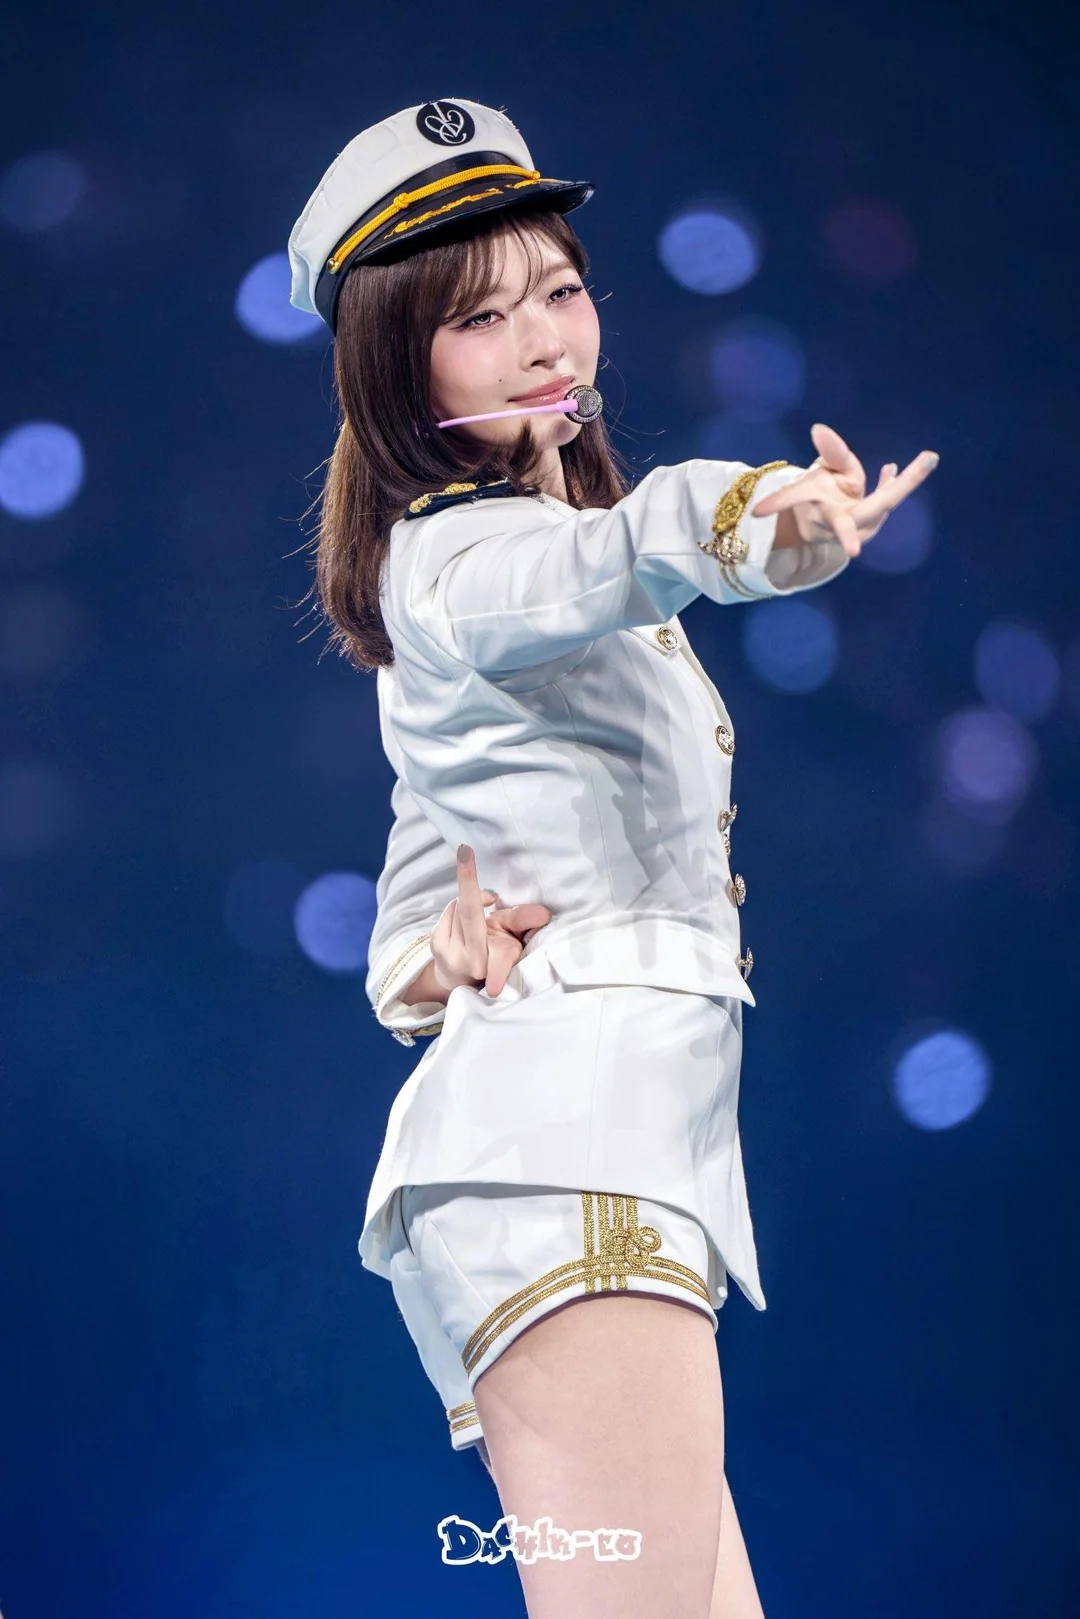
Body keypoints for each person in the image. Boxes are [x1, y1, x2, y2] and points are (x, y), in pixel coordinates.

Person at [288, 97, 939, 1618]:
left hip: (597, 1140)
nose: (542, 341)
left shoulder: (487, 570)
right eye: (479, 318)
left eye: (561, 291)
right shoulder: (464, 558)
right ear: (398, 362)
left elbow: (418, 887)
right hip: (570, 1149)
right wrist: (758, 518)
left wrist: (439, 957)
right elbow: (623, 545)